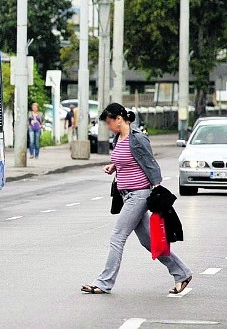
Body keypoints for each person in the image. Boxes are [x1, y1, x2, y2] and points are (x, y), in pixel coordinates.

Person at [81, 103, 192, 295]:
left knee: (117, 236)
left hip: (139, 195)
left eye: (109, 123)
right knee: (148, 241)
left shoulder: (138, 138)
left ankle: (103, 283)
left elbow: (150, 163)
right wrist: (113, 167)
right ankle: (182, 273)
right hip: (126, 196)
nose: (108, 127)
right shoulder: (118, 138)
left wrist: (157, 189)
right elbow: (127, 160)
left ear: (119, 119)